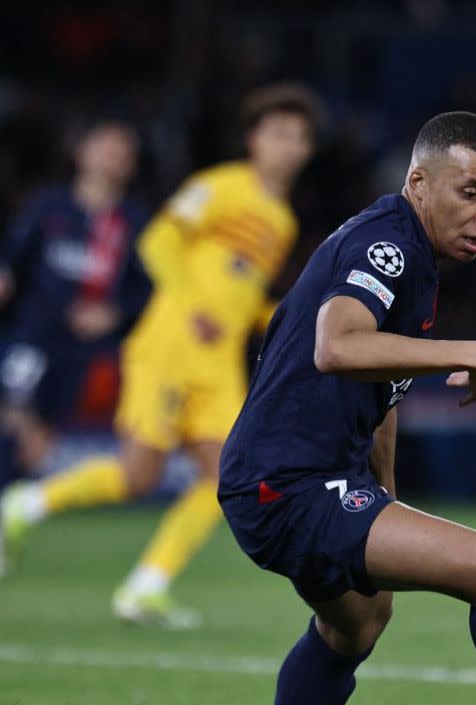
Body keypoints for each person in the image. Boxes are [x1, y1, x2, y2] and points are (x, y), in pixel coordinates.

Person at [218, 111, 476, 705]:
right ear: (419, 183)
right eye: (471, 192)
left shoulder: (418, 255)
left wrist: (385, 497)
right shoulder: (387, 246)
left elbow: (381, 387)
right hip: (286, 485)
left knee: (357, 621)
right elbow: (338, 344)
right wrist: (470, 350)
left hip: (297, 479)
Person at [0, 83, 321, 626]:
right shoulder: (219, 186)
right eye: (278, 133)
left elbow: (239, 297)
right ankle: (24, 506)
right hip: (170, 344)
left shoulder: (282, 221)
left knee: (223, 477)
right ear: (253, 140)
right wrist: (193, 305)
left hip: (217, 363)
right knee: (138, 476)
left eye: (299, 137)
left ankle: (146, 587)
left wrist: (287, 319)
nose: (289, 145)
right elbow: (157, 243)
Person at [0, 120, 149, 504]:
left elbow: (148, 289)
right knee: (14, 422)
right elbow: (13, 260)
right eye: (105, 146)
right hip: (32, 338)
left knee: (41, 441)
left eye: (122, 152)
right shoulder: (48, 207)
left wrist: (115, 312)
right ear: (81, 152)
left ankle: (17, 513)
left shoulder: (134, 222)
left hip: (85, 353)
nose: (113, 157)